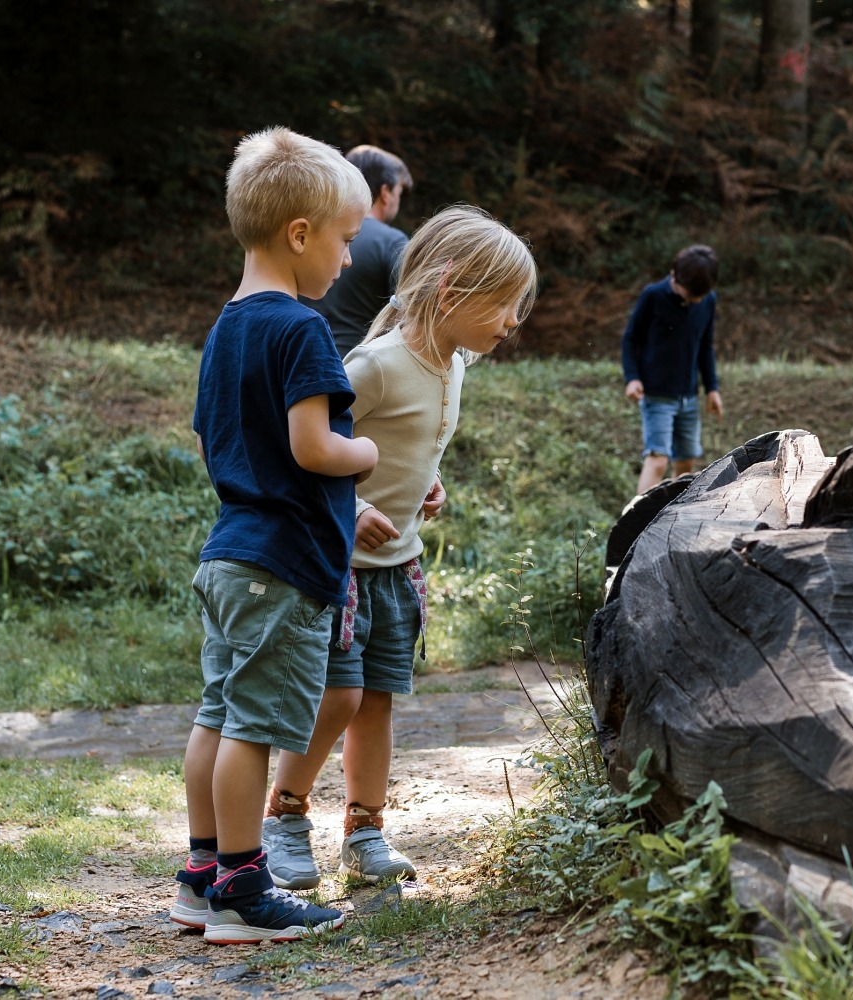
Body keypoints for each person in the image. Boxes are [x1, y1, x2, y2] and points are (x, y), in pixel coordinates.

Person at [260, 204, 538, 890]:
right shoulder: (378, 363)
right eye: (504, 306)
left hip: (398, 564)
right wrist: (348, 506)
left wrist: (428, 480)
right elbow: (303, 445)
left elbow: (409, 444)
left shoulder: (455, 362)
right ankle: (285, 816)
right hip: (342, 564)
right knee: (341, 696)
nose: (511, 324)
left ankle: (365, 829)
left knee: (378, 698)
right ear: (450, 291)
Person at [169, 126, 379, 945]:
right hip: (283, 565)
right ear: (300, 235)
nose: (350, 260)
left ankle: (201, 876)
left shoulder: (225, 328)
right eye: (346, 240)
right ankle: (244, 894)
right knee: (252, 728)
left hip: (229, 553)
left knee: (218, 717)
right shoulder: (300, 329)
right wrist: (363, 453)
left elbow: (209, 441)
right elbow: (314, 447)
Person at [621, 244, 724, 495]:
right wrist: (632, 378)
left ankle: (678, 518)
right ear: (673, 275)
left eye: (698, 296)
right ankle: (636, 524)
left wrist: (712, 388)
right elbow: (630, 338)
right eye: (689, 294)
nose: (694, 301)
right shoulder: (653, 296)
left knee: (686, 463)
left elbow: (705, 346)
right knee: (658, 460)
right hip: (656, 395)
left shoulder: (707, 300)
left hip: (688, 396)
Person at [301, 145, 413, 358]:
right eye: (398, 191)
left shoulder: (310, 234)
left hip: (302, 362)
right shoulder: (391, 242)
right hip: (359, 371)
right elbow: (411, 319)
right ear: (385, 193)